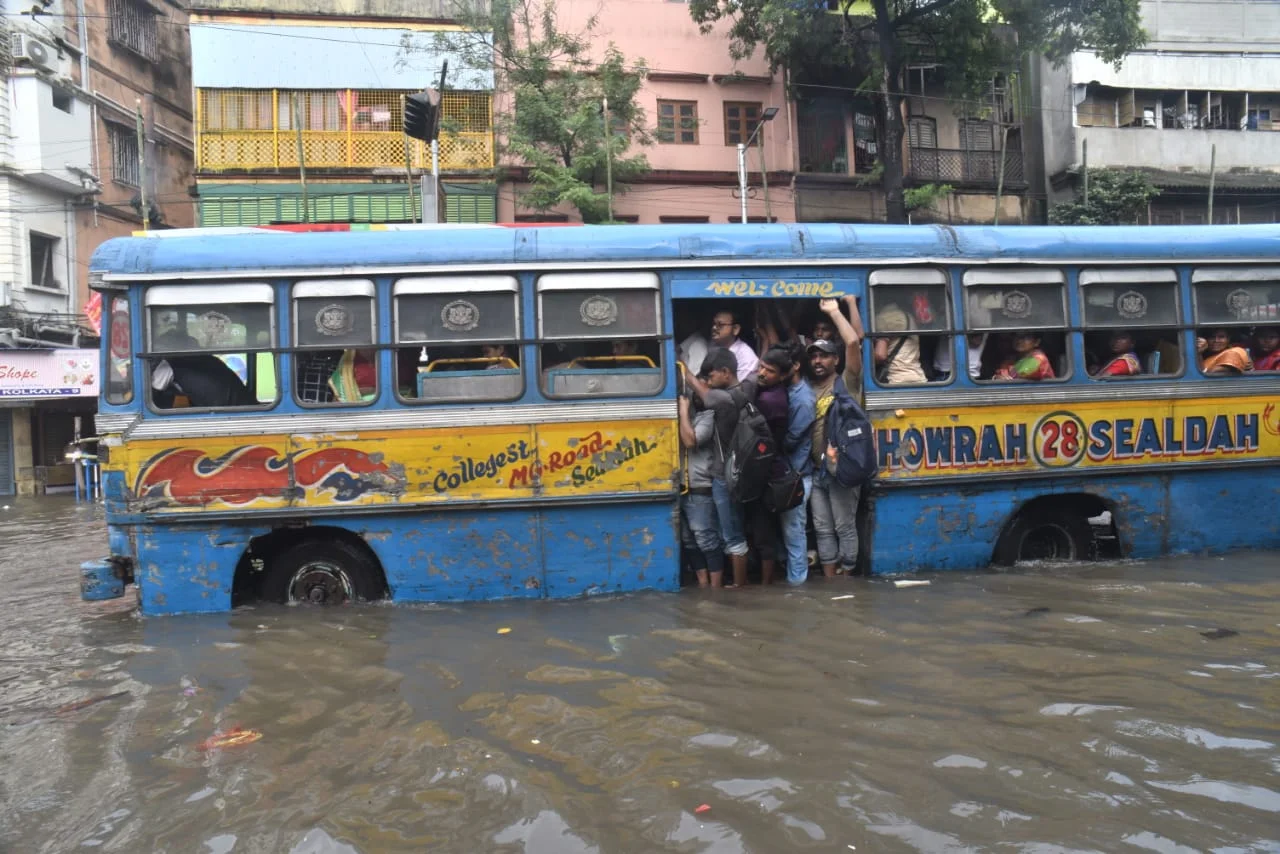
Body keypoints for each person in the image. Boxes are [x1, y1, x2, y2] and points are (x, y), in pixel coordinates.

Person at [807, 296, 865, 577]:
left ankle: (848, 579)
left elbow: (852, 342)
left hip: (842, 468)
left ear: (836, 360)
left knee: (844, 526)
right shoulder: (807, 387)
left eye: (824, 356)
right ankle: (831, 580)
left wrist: (835, 312)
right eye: (814, 356)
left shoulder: (847, 382)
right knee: (822, 528)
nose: (817, 361)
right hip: (817, 469)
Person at [683, 348, 750, 588]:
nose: (708, 383)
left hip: (725, 477)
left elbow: (703, 392)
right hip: (732, 474)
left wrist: (683, 369)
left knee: (732, 536)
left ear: (725, 372)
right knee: (728, 534)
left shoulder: (725, 399)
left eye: (710, 377)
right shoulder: (744, 390)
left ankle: (739, 589)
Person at [747, 347, 793, 585]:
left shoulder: (770, 401)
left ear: (782, 376)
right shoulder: (768, 392)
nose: (762, 373)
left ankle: (766, 585)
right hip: (764, 468)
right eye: (761, 367)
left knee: (763, 530)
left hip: (766, 472)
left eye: (770, 371)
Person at [771, 345, 816, 585]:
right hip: (788, 475)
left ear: (796, 366)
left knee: (794, 534)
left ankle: (797, 584)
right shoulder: (789, 391)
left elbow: (790, 441)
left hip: (796, 477)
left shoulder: (803, 400)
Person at [678, 387, 725, 588]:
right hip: (679, 488)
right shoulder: (677, 420)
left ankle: (715, 588)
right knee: (688, 540)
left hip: (700, 488)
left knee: (706, 539)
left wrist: (683, 411)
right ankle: (703, 585)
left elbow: (690, 441)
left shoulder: (707, 417)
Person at [872, 301, 927, 384]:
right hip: (918, 376)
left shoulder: (881, 319)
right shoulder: (909, 317)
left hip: (895, 379)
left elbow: (880, 356)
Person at [709, 309, 759, 384]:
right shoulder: (712, 345)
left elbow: (738, 389)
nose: (714, 328)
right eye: (713, 324)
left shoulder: (746, 357)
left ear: (735, 329)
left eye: (720, 325)